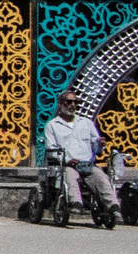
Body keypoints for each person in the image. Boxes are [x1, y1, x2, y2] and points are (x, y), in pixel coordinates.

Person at [44, 91, 117, 220]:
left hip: (86, 164)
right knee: (70, 176)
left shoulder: (86, 123)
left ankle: (113, 206)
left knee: (101, 177)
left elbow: (96, 147)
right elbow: (51, 148)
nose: (72, 105)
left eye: (75, 102)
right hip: (67, 164)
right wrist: (67, 160)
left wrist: (100, 144)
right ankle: (76, 203)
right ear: (60, 104)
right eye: (68, 102)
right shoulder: (52, 125)